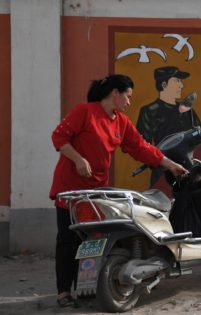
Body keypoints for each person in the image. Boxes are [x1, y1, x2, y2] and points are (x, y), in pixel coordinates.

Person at [49, 74, 187, 307]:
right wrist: (78, 159)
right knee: (67, 240)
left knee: (95, 239)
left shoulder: (120, 122)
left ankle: (94, 285)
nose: (129, 102)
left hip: (96, 192)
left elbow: (141, 147)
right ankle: (63, 293)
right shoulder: (85, 111)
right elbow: (59, 137)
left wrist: (169, 164)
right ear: (115, 93)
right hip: (70, 189)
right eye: (128, 96)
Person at [136, 66, 201, 185]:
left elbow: (200, 134)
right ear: (164, 84)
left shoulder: (187, 109)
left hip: (188, 169)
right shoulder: (149, 111)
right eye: (177, 81)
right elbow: (141, 144)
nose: (181, 85)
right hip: (162, 172)